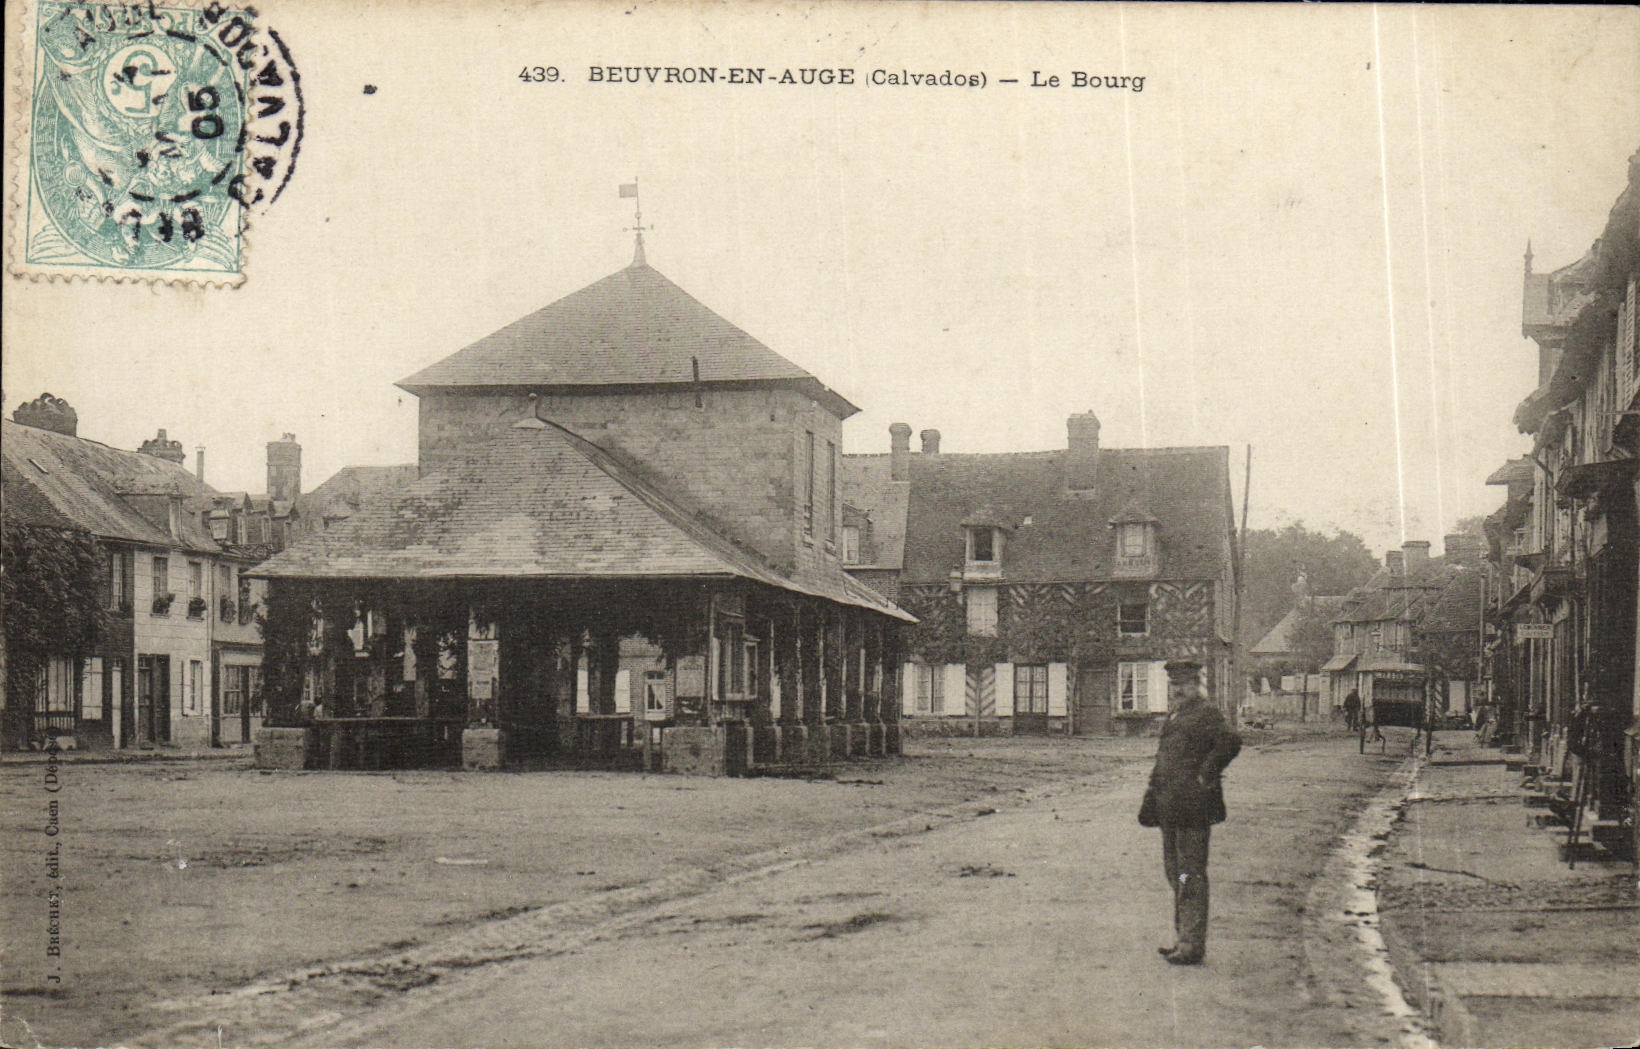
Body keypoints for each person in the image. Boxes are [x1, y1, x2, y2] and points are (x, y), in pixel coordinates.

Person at [1137, 659, 1243, 966]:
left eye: (1183, 684)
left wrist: (1205, 776)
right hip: (1170, 806)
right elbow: (1164, 760)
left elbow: (1231, 742)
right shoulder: (1177, 714)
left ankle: (1191, 945)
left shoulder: (1206, 712)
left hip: (1194, 807)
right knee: (1175, 873)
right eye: (1173, 685)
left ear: (1196, 684)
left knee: (1190, 875)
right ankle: (1183, 938)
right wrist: (1151, 795)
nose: (1177, 690)